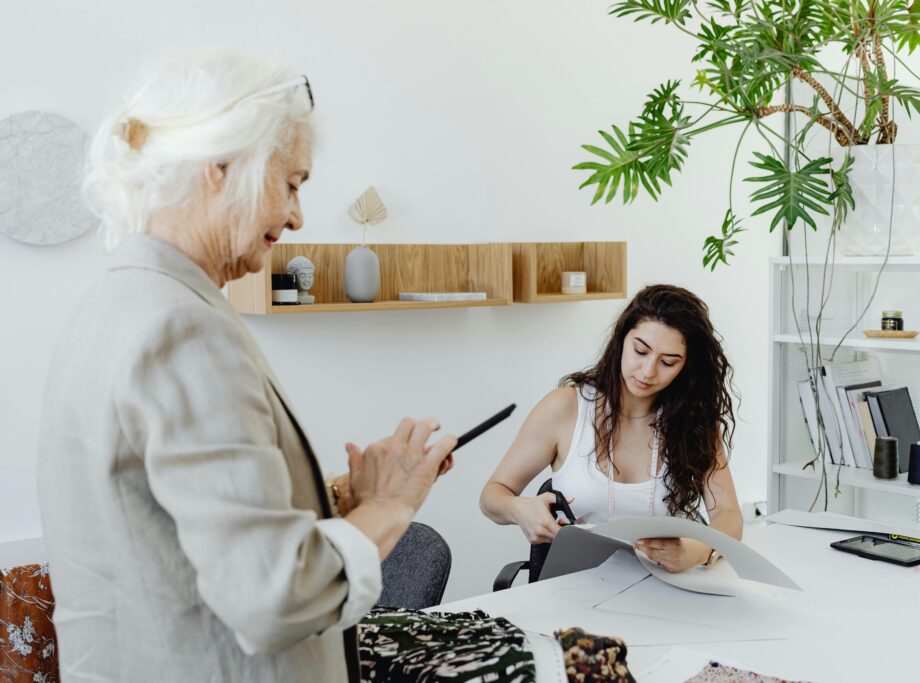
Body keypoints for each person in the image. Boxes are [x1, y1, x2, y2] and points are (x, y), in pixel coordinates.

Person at [36, 51, 456, 682]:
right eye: (291, 183)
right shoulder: (180, 328)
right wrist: (392, 505)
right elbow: (273, 597)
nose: (296, 216)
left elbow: (179, 541)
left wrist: (345, 498)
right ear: (220, 167)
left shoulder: (119, 302)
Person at [480, 284, 742, 573]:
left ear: (686, 368)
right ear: (621, 340)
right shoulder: (565, 409)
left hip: (659, 590)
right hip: (572, 589)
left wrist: (701, 549)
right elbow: (492, 496)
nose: (648, 371)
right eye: (640, 351)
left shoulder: (693, 422)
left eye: (668, 362)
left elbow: (728, 515)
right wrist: (519, 509)